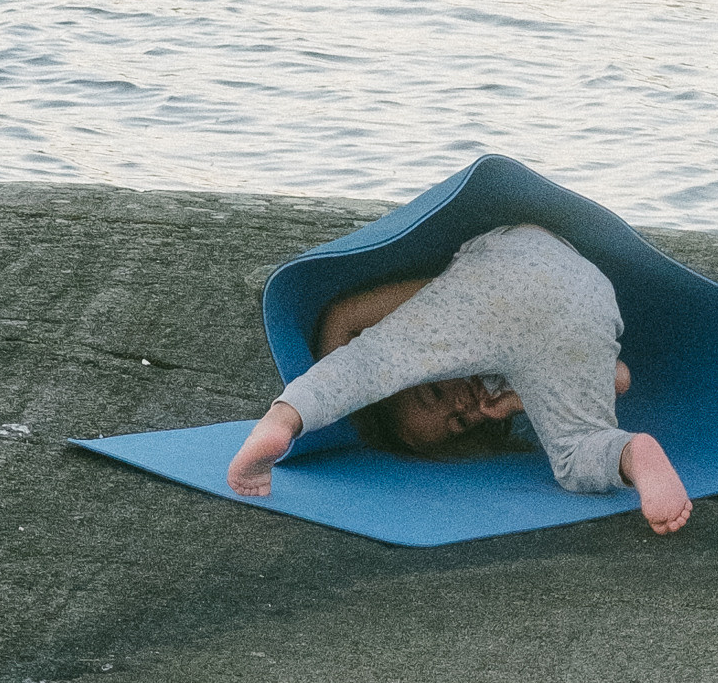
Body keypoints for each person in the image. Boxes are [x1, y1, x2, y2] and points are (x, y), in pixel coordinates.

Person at [226, 220, 693, 534]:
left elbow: (344, 318)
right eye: (461, 422)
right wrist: (517, 401)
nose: (461, 405)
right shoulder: (505, 386)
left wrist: (344, 417)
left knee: (364, 365)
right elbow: (618, 377)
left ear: (408, 379)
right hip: (586, 290)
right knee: (578, 446)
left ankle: (282, 421)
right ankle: (634, 453)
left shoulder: (441, 316)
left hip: (509, 262)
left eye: (432, 393)